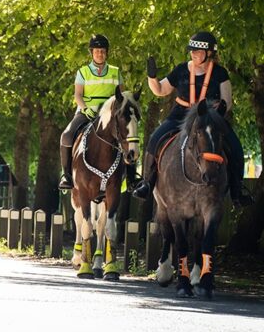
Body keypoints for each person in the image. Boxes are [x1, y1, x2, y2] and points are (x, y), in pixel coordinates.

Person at [131, 31, 253, 207]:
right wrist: (152, 77)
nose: (193, 54)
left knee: (235, 146)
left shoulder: (220, 73)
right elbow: (160, 90)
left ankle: (237, 190)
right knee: (154, 139)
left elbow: (227, 101)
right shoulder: (181, 69)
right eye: (192, 51)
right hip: (181, 114)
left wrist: (218, 109)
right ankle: (147, 183)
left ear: (209, 53)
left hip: (209, 117)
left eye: (197, 51)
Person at [59, 34, 124, 189]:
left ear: (106, 52)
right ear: (92, 53)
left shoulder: (115, 72)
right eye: (96, 51)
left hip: (109, 114)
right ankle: (67, 175)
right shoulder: (83, 72)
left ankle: (131, 176)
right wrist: (85, 109)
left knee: (128, 136)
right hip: (87, 112)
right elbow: (78, 95)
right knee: (66, 136)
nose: (99, 54)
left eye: (102, 51)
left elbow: (121, 97)